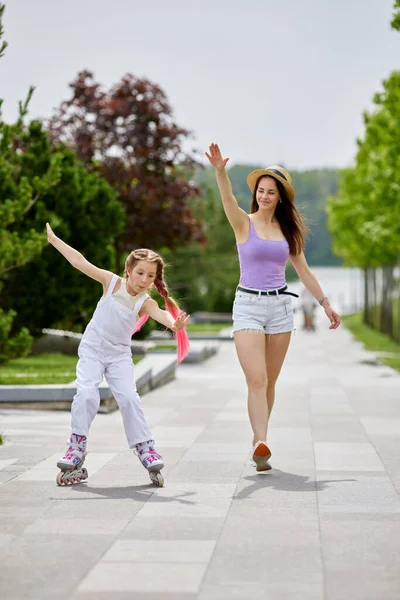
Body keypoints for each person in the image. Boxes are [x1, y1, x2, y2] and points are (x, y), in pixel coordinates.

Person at [205, 144, 340, 472]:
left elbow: (304, 271)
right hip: (248, 305)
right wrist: (221, 172)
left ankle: (258, 440)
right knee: (257, 379)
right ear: (257, 194)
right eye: (261, 190)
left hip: (280, 307)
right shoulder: (243, 224)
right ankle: (261, 443)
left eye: (271, 191)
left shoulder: (287, 231)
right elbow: (227, 200)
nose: (265, 195)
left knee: (271, 380)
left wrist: (325, 303)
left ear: (281, 197)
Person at [46, 222, 190, 487]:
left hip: (119, 355)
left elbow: (162, 315)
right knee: (86, 392)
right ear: (128, 270)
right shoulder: (111, 282)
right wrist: (55, 241)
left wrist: (174, 325)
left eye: (150, 276)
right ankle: (76, 445)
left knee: (128, 398)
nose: (144, 280)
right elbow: (80, 262)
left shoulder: (145, 301)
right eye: (140, 273)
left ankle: (146, 448)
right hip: (92, 349)